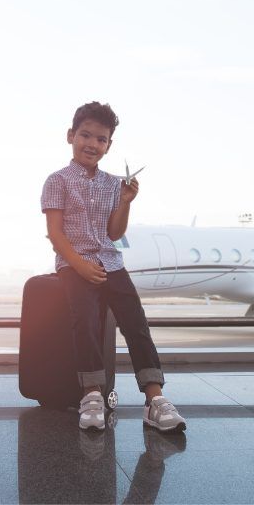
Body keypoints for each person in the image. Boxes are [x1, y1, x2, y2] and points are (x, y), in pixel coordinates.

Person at [41, 101, 187, 433]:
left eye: (101, 139)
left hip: (110, 262)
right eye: (85, 135)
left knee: (136, 323)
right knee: (86, 322)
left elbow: (114, 233)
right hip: (74, 263)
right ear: (70, 136)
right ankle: (92, 395)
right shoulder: (57, 181)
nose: (92, 144)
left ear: (109, 145)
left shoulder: (112, 184)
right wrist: (79, 266)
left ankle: (154, 399)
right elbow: (55, 233)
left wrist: (125, 202)